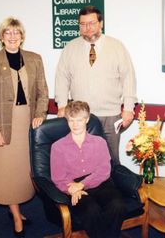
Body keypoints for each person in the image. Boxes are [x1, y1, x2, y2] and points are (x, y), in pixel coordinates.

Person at [0, 17, 49, 237]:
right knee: (7, 173)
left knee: (23, 173)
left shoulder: (34, 59)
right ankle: (17, 216)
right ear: (1, 37)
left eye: (16, 33)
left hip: (26, 122)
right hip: (2, 124)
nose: (12, 37)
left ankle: (17, 209)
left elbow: (42, 91)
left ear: (22, 36)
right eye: (8, 33)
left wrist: (40, 114)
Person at [55, 5, 137, 165]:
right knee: (83, 162)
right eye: (83, 24)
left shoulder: (117, 47)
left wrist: (128, 108)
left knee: (111, 161)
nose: (87, 28)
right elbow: (62, 78)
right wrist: (62, 105)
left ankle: (113, 190)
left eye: (92, 23)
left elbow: (128, 78)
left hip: (111, 115)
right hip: (80, 117)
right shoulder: (70, 48)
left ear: (101, 23)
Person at [50, 101, 126, 238]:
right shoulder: (58, 147)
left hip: (99, 182)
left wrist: (82, 184)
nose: (75, 124)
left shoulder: (99, 142)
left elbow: (104, 170)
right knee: (91, 210)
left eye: (79, 120)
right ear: (67, 120)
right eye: (71, 120)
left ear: (87, 120)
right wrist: (71, 189)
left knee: (118, 205)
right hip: (73, 185)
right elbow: (58, 177)